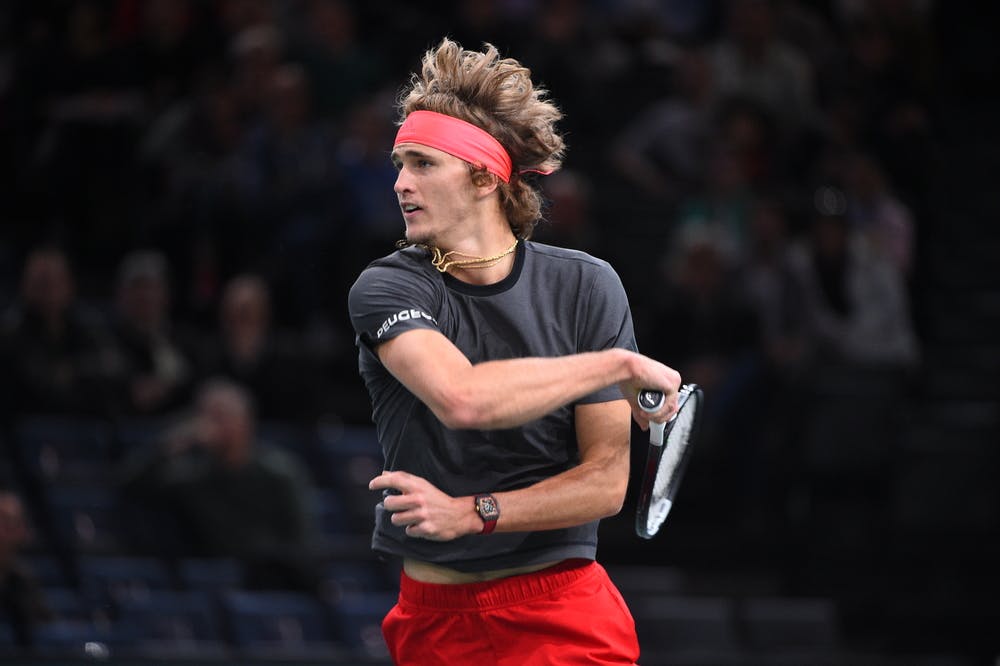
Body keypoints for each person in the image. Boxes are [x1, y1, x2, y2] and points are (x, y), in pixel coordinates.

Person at [347, 38, 681, 665]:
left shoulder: (587, 285)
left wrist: (475, 512)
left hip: (564, 611)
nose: (399, 182)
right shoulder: (387, 286)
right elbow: (461, 397)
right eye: (399, 163)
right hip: (433, 621)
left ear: (482, 177)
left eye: (421, 163)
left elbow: (605, 482)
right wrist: (617, 364)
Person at [118, 378, 321, 591]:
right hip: (207, 584)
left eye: (221, 416)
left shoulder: (279, 473)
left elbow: (302, 542)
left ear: (245, 421)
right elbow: (130, 484)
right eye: (206, 416)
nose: (211, 426)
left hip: (270, 581)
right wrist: (171, 445)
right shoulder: (192, 477)